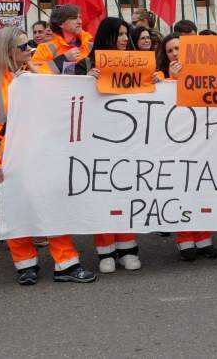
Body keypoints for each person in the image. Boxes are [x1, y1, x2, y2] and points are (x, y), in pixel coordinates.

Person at [0, 27, 96, 285]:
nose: (29, 50)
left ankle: (66, 263)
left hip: (43, 151)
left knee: (53, 205)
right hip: (10, 157)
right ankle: (25, 264)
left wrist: (90, 78)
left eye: (29, 45)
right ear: (9, 51)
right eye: (23, 47)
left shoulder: (38, 71)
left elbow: (65, 92)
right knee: (18, 209)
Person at [152, 33, 217, 260]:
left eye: (177, 49)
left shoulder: (201, 74)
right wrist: (172, 79)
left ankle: (203, 239)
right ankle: (184, 239)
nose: (174, 53)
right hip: (175, 143)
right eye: (169, 50)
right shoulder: (161, 76)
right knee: (180, 189)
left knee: (200, 189)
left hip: (200, 140)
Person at [83, 18, 141, 273]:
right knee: (102, 196)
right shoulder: (86, 63)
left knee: (125, 194)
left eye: (126, 34)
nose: (124, 39)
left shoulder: (138, 62)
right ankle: (105, 251)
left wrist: (157, 83)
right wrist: (85, 80)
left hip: (129, 141)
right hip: (98, 142)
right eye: (119, 34)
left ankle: (128, 248)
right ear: (107, 36)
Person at [31, 4, 93, 74]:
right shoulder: (45, 48)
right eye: (74, 18)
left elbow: (104, 76)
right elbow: (36, 74)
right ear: (61, 24)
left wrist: (91, 74)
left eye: (79, 17)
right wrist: (63, 58)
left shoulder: (90, 46)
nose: (80, 22)